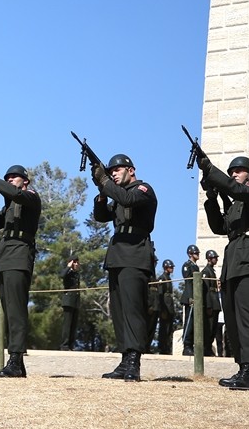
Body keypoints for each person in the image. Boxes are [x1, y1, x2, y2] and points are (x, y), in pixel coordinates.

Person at [201, 155, 249, 390]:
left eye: (239, 171)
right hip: (233, 263)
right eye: (231, 171)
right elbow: (219, 226)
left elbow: (235, 189)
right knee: (232, 320)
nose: (234, 174)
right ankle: (243, 367)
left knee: (248, 318)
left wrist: (211, 169)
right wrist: (212, 197)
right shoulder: (236, 205)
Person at [90, 153, 157, 381]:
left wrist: (105, 181)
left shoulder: (143, 190)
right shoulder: (117, 194)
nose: (113, 174)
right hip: (118, 254)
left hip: (135, 252)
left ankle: (134, 361)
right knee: (118, 311)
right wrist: (102, 191)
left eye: (117, 170)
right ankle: (124, 359)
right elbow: (101, 216)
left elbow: (128, 200)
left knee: (132, 309)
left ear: (131, 170)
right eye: (110, 172)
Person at [0, 161, 41, 378]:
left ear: (25, 181)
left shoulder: (30, 197)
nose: (10, 179)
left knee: (16, 310)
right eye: (7, 177)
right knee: (9, 309)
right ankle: (17, 363)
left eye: (14, 177)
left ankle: (15, 359)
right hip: (5, 255)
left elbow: (17, 195)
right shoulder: (11, 205)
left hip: (20, 254)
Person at [150, 259, 177, 355]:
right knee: (163, 328)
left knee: (169, 328)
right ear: (166, 268)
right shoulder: (162, 278)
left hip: (169, 306)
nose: (172, 269)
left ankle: (166, 347)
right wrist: (163, 309)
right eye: (170, 267)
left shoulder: (168, 278)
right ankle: (162, 347)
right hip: (165, 306)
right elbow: (160, 294)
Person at [180, 244, 200, 355]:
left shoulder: (195, 266)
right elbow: (188, 282)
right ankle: (186, 346)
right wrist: (191, 297)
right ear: (190, 254)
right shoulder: (187, 265)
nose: (197, 255)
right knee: (189, 322)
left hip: (196, 297)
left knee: (194, 323)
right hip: (190, 297)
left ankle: (191, 345)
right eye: (195, 253)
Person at [201, 250, 221, 358]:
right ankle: (206, 348)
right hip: (211, 304)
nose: (216, 260)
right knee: (208, 328)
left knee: (213, 328)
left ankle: (208, 348)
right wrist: (208, 305)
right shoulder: (206, 271)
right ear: (209, 259)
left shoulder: (211, 271)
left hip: (215, 302)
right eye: (214, 258)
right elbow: (206, 290)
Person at [59, 255, 81, 351]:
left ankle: (71, 345)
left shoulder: (77, 274)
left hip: (75, 301)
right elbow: (62, 275)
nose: (77, 264)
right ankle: (64, 345)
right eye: (75, 262)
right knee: (67, 324)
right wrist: (68, 266)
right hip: (68, 300)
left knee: (74, 324)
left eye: (77, 262)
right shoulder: (67, 272)